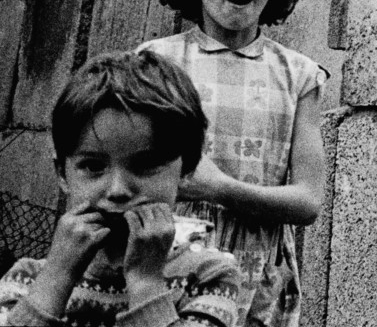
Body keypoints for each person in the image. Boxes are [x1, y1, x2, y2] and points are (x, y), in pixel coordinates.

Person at [138, 0, 325, 327]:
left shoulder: (300, 76)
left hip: (257, 278)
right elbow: (131, 175)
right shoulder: (155, 64)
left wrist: (219, 187)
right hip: (167, 264)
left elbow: (308, 201)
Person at [0, 51, 241, 326]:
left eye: (145, 164)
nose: (117, 190)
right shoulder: (27, 278)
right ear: (62, 174)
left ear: (187, 169)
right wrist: (58, 278)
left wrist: (146, 283)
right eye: (93, 166)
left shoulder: (210, 276)